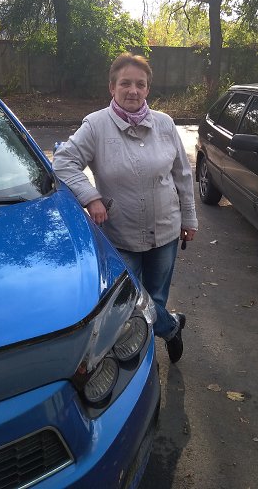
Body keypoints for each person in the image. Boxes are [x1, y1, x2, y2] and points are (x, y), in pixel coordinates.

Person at [53, 52, 198, 363]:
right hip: (121, 233)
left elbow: (183, 175)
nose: (133, 90)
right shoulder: (96, 125)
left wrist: (189, 218)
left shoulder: (165, 123)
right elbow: (63, 162)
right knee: (128, 304)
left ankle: (145, 361)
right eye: (125, 83)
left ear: (147, 89)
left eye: (140, 84)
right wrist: (91, 197)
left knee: (155, 298)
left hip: (166, 231)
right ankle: (172, 326)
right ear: (112, 87)